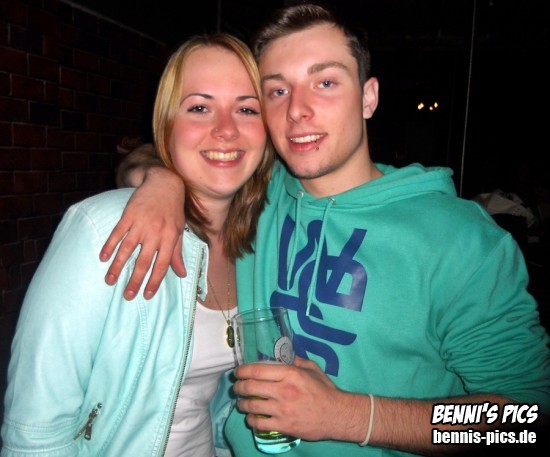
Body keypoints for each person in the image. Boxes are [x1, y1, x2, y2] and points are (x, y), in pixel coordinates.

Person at [100, 3, 550, 456]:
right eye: (277, 91)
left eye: (326, 83)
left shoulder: (459, 241)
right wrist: (162, 181)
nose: (298, 110)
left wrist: (349, 416)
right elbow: (160, 152)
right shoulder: (256, 191)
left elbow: (524, 422)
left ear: (368, 97)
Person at [0, 33, 274, 457]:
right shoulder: (103, 227)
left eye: (246, 109)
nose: (226, 129)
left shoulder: (258, 242)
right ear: (166, 123)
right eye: (199, 108)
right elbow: (35, 434)